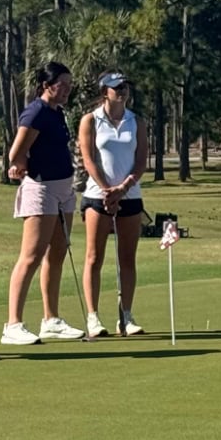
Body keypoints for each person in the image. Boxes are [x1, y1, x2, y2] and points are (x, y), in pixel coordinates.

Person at [1, 61, 86, 345]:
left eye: (69, 85)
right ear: (47, 85)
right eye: (62, 85)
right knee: (32, 256)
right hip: (41, 189)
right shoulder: (36, 111)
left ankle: (51, 320)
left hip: (63, 189)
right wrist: (20, 166)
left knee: (58, 253)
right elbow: (16, 152)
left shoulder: (57, 112)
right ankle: (13, 324)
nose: (67, 90)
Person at [79, 71, 148, 337]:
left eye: (125, 87)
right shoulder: (90, 121)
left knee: (127, 259)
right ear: (104, 92)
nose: (122, 91)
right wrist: (108, 190)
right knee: (94, 257)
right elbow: (89, 160)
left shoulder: (136, 122)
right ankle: (93, 317)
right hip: (98, 196)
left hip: (130, 196)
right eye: (116, 87)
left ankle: (125, 316)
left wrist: (122, 188)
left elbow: (141, 161)